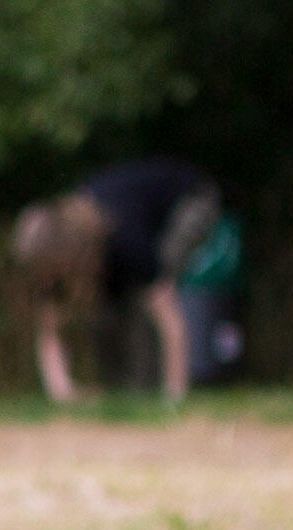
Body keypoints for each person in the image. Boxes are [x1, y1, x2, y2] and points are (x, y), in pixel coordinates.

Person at [14, 159, 238, 404]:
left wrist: (174, 397)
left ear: (69, 258)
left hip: (192, 199)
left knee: (151, 296)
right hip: (126, 225)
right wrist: (62, 392)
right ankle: (132, 389)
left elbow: (170, 320)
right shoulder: (58, 255)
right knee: (110, 311)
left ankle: (163, 386)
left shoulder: (128, 242)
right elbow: (50, 326)